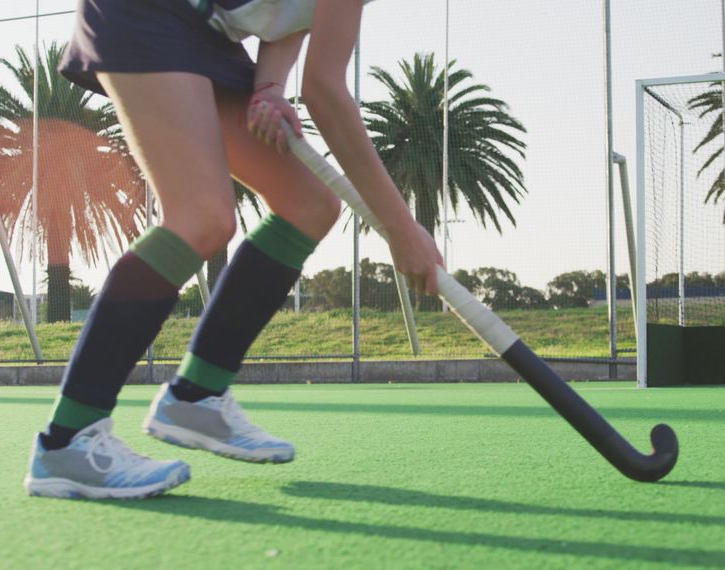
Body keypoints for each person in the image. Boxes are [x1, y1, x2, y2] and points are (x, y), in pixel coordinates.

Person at [24, 0, 443, 499]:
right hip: (144, 12)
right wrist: (401, 229)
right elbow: (326, 92)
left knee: (308, 205)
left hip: (208, 32)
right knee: (201, 217)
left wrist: (269, 87)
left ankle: (195, 398)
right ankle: (67, 441)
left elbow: (292, 13)